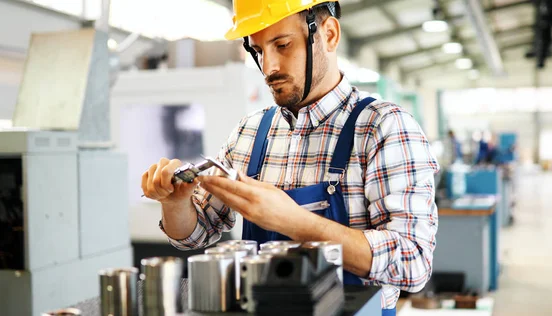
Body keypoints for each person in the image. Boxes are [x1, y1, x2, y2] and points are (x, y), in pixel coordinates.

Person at [141, 1, 439, 314]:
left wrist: (295, 222)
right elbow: (194, 235)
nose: (269, 66)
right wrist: (175, 203)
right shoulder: (249, 132)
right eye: (257, 50)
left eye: (282, 45)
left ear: (329, 34)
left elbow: (413, 263)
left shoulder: (383, 127)